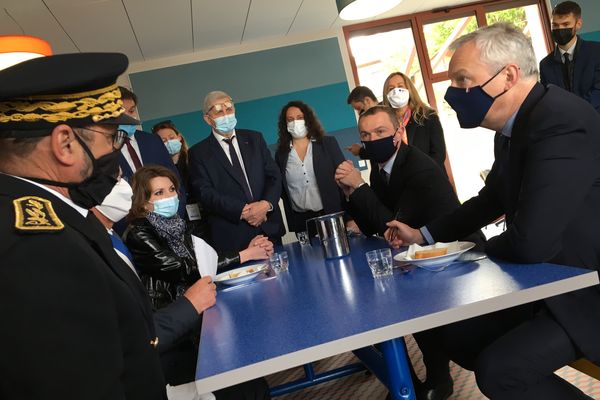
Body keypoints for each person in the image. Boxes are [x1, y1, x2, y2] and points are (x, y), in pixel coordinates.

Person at [385, 23, 600, 400]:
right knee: (456, 335)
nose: (453, 93)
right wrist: (425, 237)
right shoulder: (513, 130)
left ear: (509, 76)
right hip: (549, 281)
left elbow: (530, 242)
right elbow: (491, 200)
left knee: (501, 370)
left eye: (462, 79)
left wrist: (470, 252)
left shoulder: (560, 121)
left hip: (585, 290)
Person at [0, 53, 166, 399]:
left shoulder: (55, 218)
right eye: (111, 138)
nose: (116, 155)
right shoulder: (38, 249)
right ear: (65, 144)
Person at [335, 105, 484, 400]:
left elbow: (392, 227)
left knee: (413, 304)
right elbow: (371, 227)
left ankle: (437, 379)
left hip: (459, 253)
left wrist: (360, 187)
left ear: (398, 132)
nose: (372, 139)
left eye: (380, 132)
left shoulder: (418, 166)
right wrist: (351, 193)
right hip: (424, 252)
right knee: (396, 298)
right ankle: (412, 379)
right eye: (365, 134)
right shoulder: (382, 169)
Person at [92, 175, 270, 400]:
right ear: (143, 202)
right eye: (159, 193)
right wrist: (245, 255)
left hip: (198, 315)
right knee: (245, 387)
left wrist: (247, 250)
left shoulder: (178, 224)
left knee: (251, 375)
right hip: (174, 328)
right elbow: (185, 268)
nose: (169, 197)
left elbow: (205, 257)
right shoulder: (138, 232)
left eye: (171, 190)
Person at [188, 91, 285, 253]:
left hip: (267, 225)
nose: (226, 114)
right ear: (207, 119)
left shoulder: (255, 138)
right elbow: (204, 192)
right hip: (233, 235)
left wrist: (265, 205)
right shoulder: (198, 153)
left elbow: (274, 176)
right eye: (219, 111)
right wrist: (242, 211)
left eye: (229, 109)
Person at [274, 101, 359, 236]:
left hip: (333, 216)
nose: (295, 122)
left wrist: (351, 218)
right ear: (285, 124)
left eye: (299, 118)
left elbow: (346, 181)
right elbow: (282, 189)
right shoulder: (281, 154)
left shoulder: (328, 143)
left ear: (308, 119)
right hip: (303, 222)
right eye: (290, 119)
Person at [117, 87, 187, 223]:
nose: (129, 117)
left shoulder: (152, 140)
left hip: (171, 222)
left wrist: (175, 217)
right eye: (121, 112)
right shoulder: (103, 150)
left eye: (131, 111)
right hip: (129, 228)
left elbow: (176, 182)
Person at [382, 72, 448, 174]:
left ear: (409, 89)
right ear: (386, 95)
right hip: (402, 185)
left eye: (400, 86)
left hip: (431, 181)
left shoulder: (428, 116)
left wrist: (420, 175)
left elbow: (438, 154)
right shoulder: (386, 125)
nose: (396, 91)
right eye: (391, 89)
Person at [539, 1, 600, 112]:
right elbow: (549, 99)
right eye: (555, 25)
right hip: (564, 125)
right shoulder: (545, 65)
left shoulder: (596, 51)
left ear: (578, 24)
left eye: (566, 24)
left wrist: (575, 113)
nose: (560, 29)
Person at [346, 86, 379, 157]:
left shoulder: (386, 118)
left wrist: (360, 151)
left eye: (359, 108)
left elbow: (381, 151)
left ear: (367, 100)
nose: (359, 113)